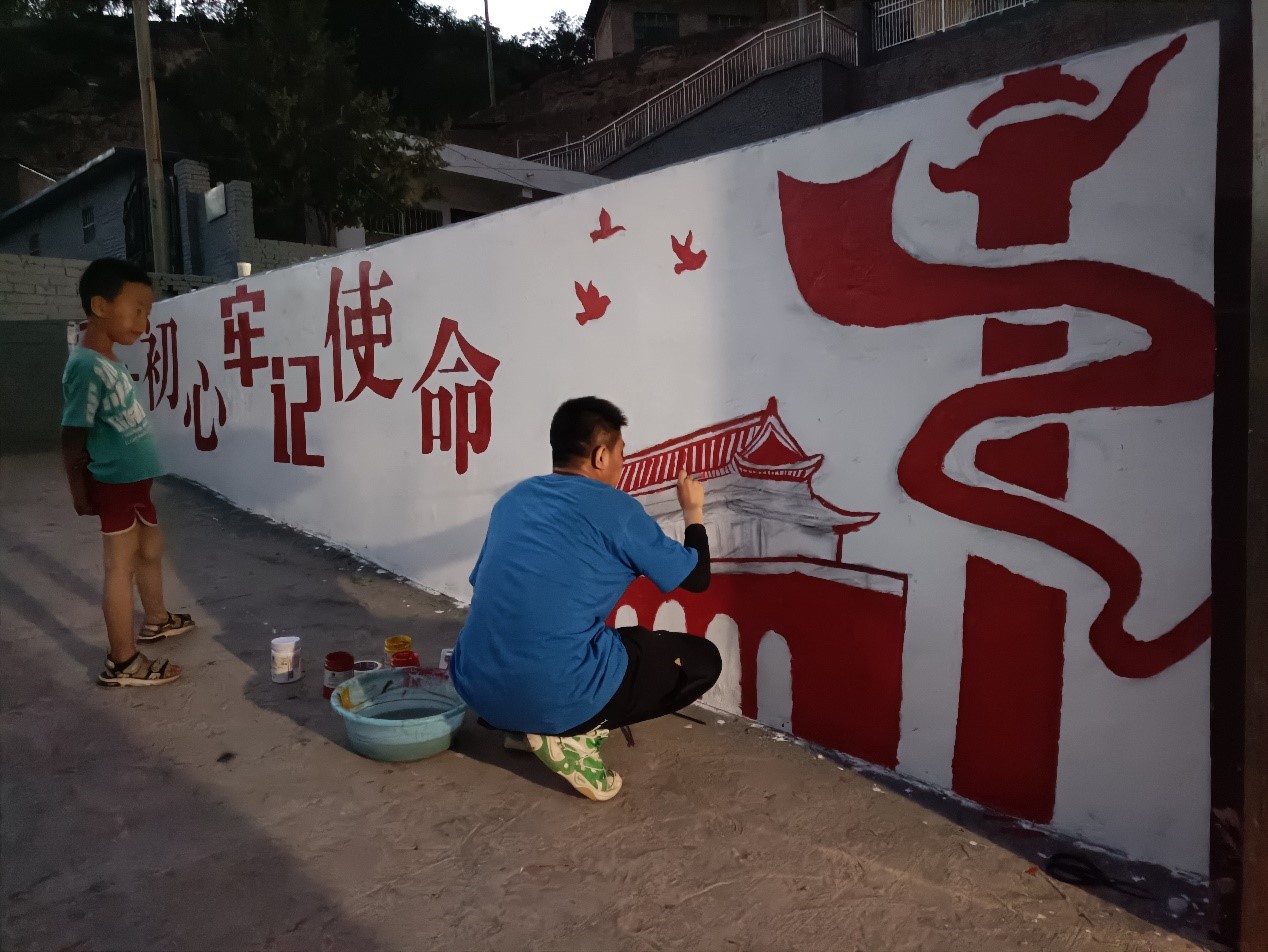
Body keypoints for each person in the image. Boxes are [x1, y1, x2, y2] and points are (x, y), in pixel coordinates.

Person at [451, 396, 721, 801]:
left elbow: (487, 587)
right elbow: (697, 578)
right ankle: (570, 733)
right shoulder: (618, 511)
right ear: (600, 456)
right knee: (702, 661)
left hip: (476, 684)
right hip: (551, 690)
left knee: (594, 638)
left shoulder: (514, 500)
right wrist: (693, 511)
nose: (622, 464)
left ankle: (522, 728)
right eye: (621, 453)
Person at [62, 259, 195, 687]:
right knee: (119, 568)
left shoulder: (108, 361)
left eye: (148, 312)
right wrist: (79, 491)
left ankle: (156, 619)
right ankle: (122, 661)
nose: (144, 322)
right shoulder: (85, 366)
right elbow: (72, 435)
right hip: (115, 484)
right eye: (137, 309)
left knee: (150, 548)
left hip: (135, 483)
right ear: (100, 306)